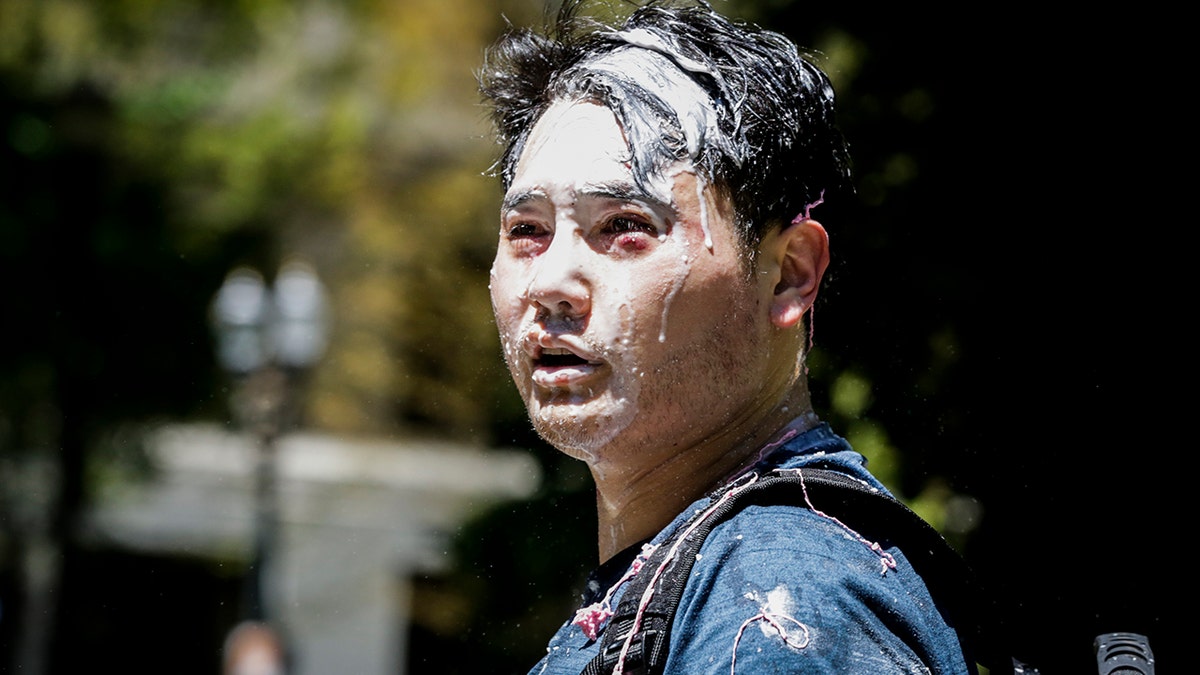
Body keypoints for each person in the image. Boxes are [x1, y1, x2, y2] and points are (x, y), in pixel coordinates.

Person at [478, 1, 975, 672]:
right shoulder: (704, 581)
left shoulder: (784, 605)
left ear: (789, 274)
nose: (550, 282)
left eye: (624, 224)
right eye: (527, 231)